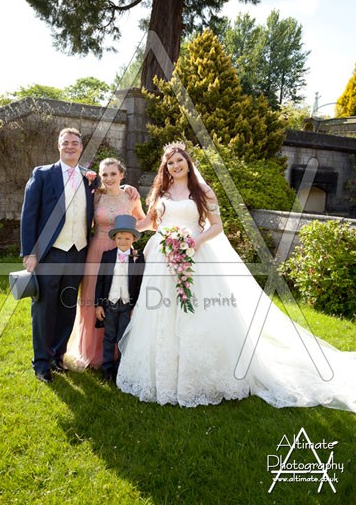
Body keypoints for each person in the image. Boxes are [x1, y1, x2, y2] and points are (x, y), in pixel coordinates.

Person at [116, 143, 356, 411]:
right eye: (170, 163)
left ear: (188, 162)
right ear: (166, 166)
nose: (175, 166)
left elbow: (216, 226)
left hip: (195, 255)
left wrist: (194, 241)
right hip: (162, 259)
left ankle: (196, 376)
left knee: (196, 311)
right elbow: (151, 223)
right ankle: (161, 374)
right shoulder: (161, 191)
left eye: (179, 161)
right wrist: (126, 215)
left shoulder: (203, 191)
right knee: (161, 312)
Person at [21, 127, 97, 383]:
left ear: (81, 147)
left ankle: (57, 355)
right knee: (44, 307)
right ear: (59, 146)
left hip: (78, 252)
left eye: (75, 142)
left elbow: (110, 190)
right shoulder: (43, 174)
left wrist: (128, 189)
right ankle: (41, 362)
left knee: (67, 306)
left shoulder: (89, 178)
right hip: (50, 252)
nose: (70, 146)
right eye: (66, 142)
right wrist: (29, 252)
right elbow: (29, 215)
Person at [64, 158, 145, 371]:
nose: (109, 178)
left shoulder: (131, 197)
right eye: (105, 174)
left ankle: (116, 351)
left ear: (122, 175)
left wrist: (129, 234)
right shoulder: (96, 195)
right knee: (92, 297)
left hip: (121, 250)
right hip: (97, 251)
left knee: (119, 295)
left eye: (113, 174)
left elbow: (144, 221)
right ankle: (91, 350)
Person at [95, 214, 145, 381]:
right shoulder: (107, 256)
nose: (123, 241)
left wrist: (135, 306)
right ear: (114, 238)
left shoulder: (138, 258)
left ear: (133, 239)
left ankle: (121, 368)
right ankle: (107, 368)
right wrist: (98, 304)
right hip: (110, 304)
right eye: (119, 238)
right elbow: (100, 281)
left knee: (124, 337)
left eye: (127, 238)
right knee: (109, 336)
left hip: (127, 306)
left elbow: (140, 283)